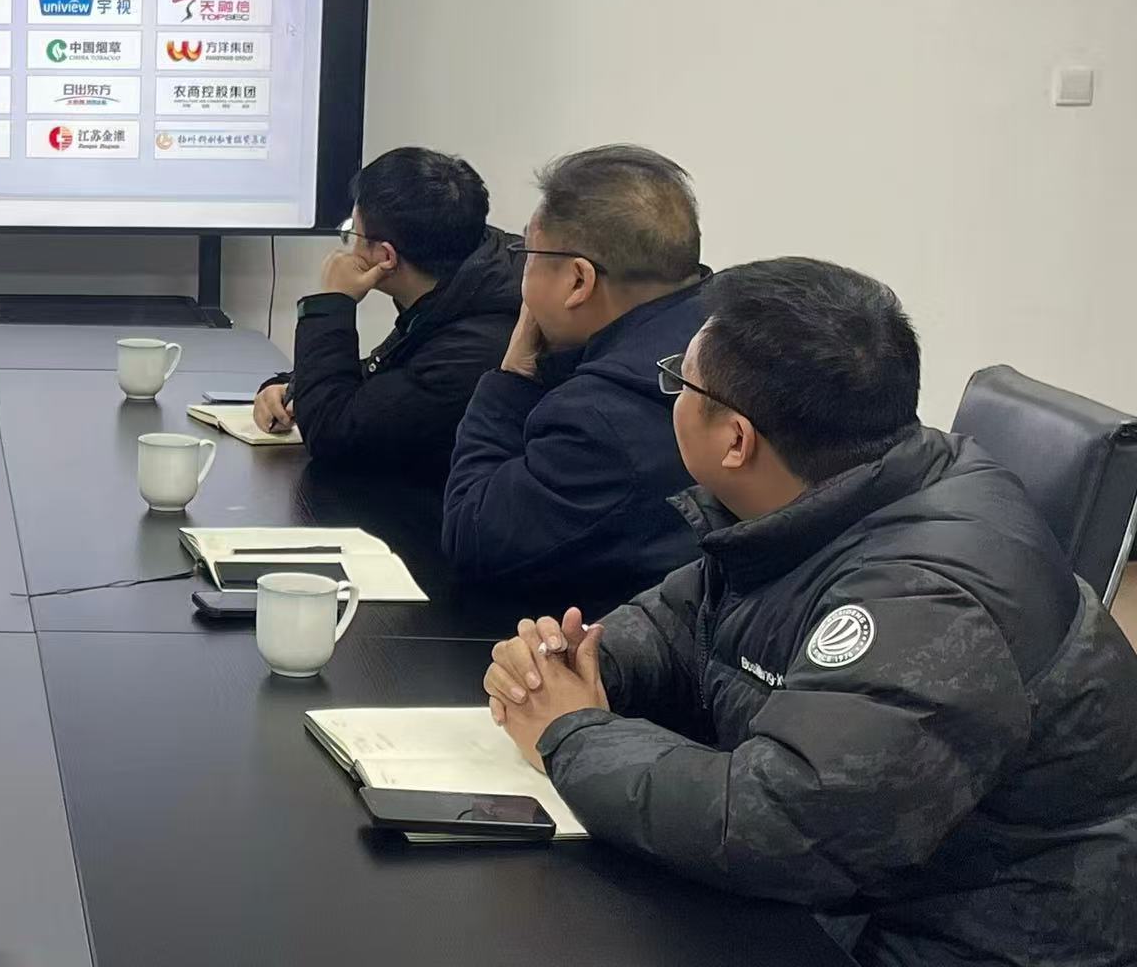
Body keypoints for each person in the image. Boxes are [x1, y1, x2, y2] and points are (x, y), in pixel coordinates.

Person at [483, 258, 1137, 966]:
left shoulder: (930, 600)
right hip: (874, 903)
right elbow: (691, 621)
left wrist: (572, 734)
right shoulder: (843, 492)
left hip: (969, 941)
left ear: (736, 440)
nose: (671, 396)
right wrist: (582, 662)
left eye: (680, 381)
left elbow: (784, 830)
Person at [440, 144, 708, 597]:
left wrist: (512, 378)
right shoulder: (732, 330)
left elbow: (473, 535)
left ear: (578, 281)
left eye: (528, 254)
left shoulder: (599, 417)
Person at [252, 147, 521, 517]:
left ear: (386, 257)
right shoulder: (468, 280)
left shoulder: (474, 346)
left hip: (432, 533)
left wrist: (331, 303)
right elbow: (383, 378)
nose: (347, 248)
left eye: (352, 232)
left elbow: (332, 435)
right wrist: (292, 386)